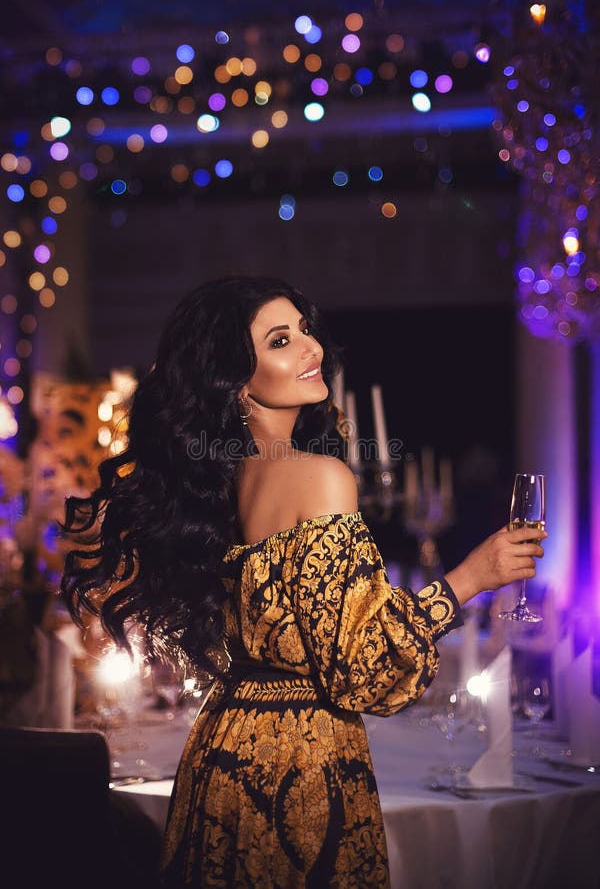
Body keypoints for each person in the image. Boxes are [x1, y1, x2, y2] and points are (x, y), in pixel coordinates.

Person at [61, 276, 547, 888]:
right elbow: (361, 670)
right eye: (281, 340)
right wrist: (469, 578)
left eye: (305, 330)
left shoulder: (219, 486)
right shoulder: (318, 478)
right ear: (234, 377)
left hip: (223, 756)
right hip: (298, 771)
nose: (310, 348)